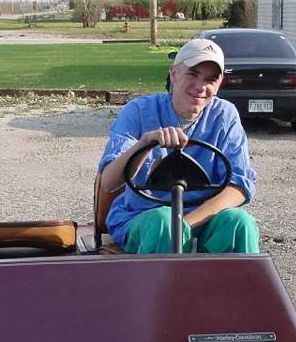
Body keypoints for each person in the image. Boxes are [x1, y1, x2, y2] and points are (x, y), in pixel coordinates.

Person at [98, 38, 259, 254]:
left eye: (210, 79)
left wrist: (185, 223)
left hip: (200, 218)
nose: (201, 87)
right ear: (174, 74)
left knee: (240, 222)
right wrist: (145, 144)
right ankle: (157, 287)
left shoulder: (225, 115)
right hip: (144, 217)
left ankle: (237, 287)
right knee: (163, 222)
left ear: (219, 84)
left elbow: (240, 186)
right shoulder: (138, 111)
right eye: (193, 74)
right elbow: (109, 182)